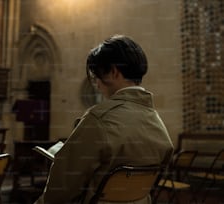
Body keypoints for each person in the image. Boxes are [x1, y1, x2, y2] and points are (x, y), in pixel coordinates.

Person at [34, 35, 174, 204]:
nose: (97, 85)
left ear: (114, 72)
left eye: (96, 76)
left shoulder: (99, 118)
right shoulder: (156, 122)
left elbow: (59, 191)